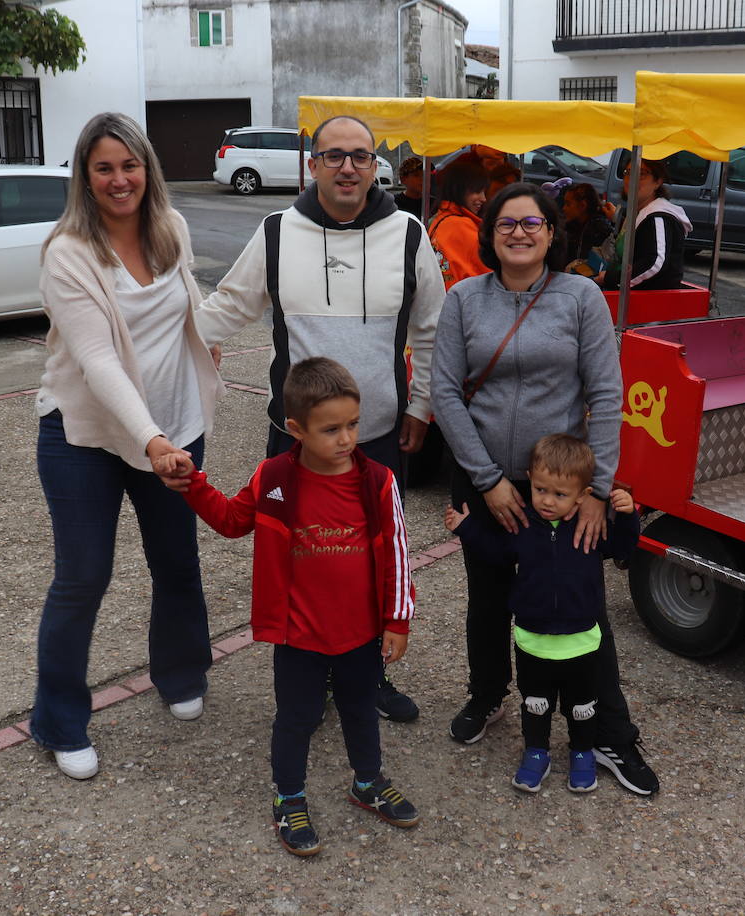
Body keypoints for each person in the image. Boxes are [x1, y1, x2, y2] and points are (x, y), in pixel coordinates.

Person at [194, 114, 445, 723]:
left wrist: (421, 406)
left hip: (378, 435)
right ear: (313, 165)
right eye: (334, 155)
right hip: (296, 439)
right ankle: (309, 678)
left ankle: (369, 675)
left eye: (360, 156)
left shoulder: (409, 234)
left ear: (375, 166)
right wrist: (161, 345)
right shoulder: (278, 231)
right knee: (303, 561)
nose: (348, 167)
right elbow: (229, 306)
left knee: (373, 558)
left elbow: (434, 332)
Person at [431, 181, 660, 796]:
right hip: (484, 479)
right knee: (489, 595)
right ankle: (488, 696)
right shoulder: (463, 300)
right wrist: (488, 482)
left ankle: (610, 732)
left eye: (533, 224)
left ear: (552, 234)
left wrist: (597, 488)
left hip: (562, 489)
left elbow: (607, 394)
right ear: (490, 234)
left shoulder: (581, 297)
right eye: (507, 224)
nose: (520, 234)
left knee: (580, 604)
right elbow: (445, 393)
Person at [31, 112, 225, 781]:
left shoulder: (169, 229)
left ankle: (180, 672)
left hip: (173, 428)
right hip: (86, 434)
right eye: (104, 168)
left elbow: (187, 302)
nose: (120, 180)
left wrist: (207, 338)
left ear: (149, 169)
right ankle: (57, 720)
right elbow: (99, 359)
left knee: (176, 561)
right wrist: (151, 440)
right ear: (85, 177)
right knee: (83, 577)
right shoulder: (68, 252)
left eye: (130, 165)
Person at [166, 357, 420, 857]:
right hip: (299, 635)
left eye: (352, 424)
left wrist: (397, 620)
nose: (346, 439)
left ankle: (366, 782)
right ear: (296, 429)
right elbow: (232, 521)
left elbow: (396, 551)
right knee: (296, 717)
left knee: (360, 710)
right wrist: (193, 484)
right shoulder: (275, 477)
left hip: (361, 632)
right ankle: (289, 797)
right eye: (331, 429)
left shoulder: (377, 481)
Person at [444, 435, 639, 794]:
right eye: (540, 489)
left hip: (581, 640)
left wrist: (628, 516)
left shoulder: (590, 531)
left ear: (582, 495)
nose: (547, 501)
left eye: (560, 494)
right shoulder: (523, 528)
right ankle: (536, 752)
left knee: (582, 705)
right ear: (530, 479)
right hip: (532, 639)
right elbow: (497, 554)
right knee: (535, 703)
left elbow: (623, 548)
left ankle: (582, 752)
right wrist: (466, 528)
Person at [599, 157, 691, 291]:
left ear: (658, 182)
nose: (632, 179)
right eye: (628, 172)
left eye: (641, 174)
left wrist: (612, 279)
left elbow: (654, 263)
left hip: (653, 301)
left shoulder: (658, 217)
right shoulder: (637, 212)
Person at [428, 160, 490, 290]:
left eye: (484, 192)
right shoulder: (460, 226)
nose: (483, 198)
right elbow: (487, 277)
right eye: (477, 191)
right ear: (459, 189)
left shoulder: (440, 219)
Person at [560, 183, 616, 277]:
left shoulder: (598, 228)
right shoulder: (573, 225)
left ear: (582, 205)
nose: (564, 208)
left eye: (568, 204)